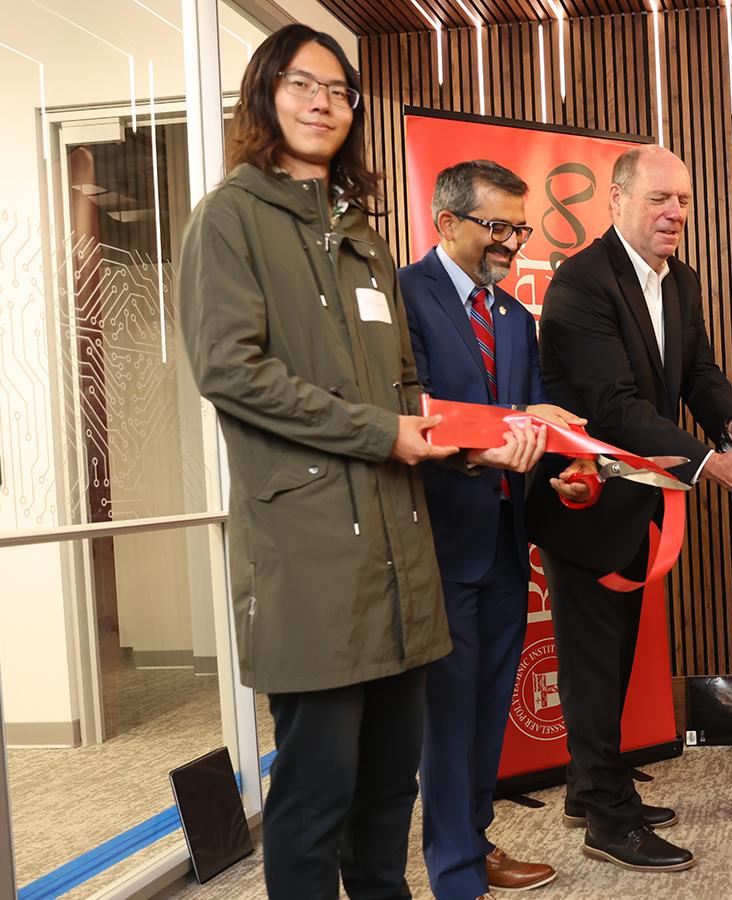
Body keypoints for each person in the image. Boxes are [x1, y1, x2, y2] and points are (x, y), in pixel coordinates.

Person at [176, 25, 538, 898]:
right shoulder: (228, 220)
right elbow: (231, 371)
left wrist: (478, 442)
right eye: (303, 84)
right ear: (265, 95)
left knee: (387, 795)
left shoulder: (364, 237)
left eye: (339, 91)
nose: (322, 102)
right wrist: (385, 433)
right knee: (315, 799)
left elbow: (407, 391)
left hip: (401, 552)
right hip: (309, 556)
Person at [527, 145, 732, 871]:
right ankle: (608, 819)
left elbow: (697, 370)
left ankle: (586, 784)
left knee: (613, 656)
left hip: (641, 501)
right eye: (660, 199)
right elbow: (613, 406)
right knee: (593, 661)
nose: (675, 214)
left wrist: (731, 421)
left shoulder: (681, 280)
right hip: (585, 500)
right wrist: (709, 463)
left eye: (685, 201)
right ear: (617, 198)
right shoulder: (579, 283)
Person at [402, 160, 595, 898]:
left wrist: (571, 466)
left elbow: (538, 415)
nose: (513, 242)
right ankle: (455, 875)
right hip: (439, 543)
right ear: (445, 223)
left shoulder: (515, 316)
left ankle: (473, 843)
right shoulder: (404, 296)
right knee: (446, 718)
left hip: (507, 546)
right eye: (499, 227)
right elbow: (417, 410)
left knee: (486, 713)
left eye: (520, 227)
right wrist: (515, 428)